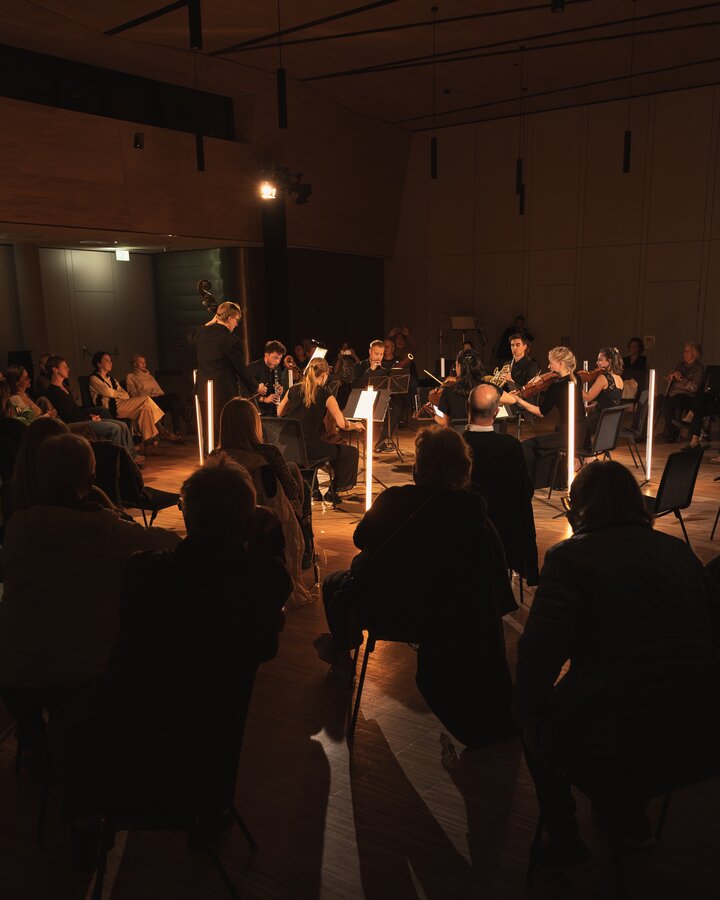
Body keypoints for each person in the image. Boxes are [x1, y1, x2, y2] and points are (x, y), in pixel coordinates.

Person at [514, 461, 720, 873]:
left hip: (617, 730)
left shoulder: (569, 558)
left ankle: (567, 844)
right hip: (701, 726)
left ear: (579, 507)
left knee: (535, 723)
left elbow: (539, 653)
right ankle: (626, 813)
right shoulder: (678, 551)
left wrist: (527, 710)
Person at [60, 454, 290, 822]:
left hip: (126, 750)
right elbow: (273, 579)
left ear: (187, 516)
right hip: (209, 761)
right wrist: (268, 539)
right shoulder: (262, 581)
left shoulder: (142, 572)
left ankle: (86, 829)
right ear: (247, 524)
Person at [315, 427, 517, 748]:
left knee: (332, 583)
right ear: (463, 467)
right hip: (451, 619)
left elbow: (360, 538)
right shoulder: (475, 513)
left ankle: (342, 651)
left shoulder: (395, 500)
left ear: (419, 466)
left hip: (394, 613)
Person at [0, 433, 178, 744]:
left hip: (15, 672)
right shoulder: (103, 527)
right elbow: (168, 543)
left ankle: (35, 734)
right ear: (91, 479)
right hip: (84, 672)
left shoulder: (17, 524)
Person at [216, 398, 312, 605]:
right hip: (267, 517)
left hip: (226, 519)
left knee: (294, 471)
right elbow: (291, 491)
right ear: (253, 424)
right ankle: (307, 545)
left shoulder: (216, 457)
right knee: (302, 484)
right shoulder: (268, 453)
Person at [463, 384, 538, 585]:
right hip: (506, 535)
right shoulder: (511, 446)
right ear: (496, 413)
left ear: (467, 407)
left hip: (463, 535)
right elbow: (526, 491)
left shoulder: (456, 445)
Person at [278, 358, 362, 502]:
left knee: (319, 444)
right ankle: (333, 491)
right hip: (310, 450)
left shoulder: (292, 390)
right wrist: (355, 425)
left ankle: (315, 490)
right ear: (324, 375)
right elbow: (342, 424)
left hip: (289, 448)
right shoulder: (325, 395)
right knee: (350, 452)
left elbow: (280, 413)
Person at [506, 346, 586, 488]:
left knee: (526, 445)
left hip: (567, 435)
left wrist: (519, 400)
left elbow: (541, 412)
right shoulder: (576, 379)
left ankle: (528, 483)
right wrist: (542, 378)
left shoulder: (557, 386)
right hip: (581, 433)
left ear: (561, 364)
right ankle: (554, 479)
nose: (549, 366)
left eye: (551, 363)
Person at [44, 356, 139, 461]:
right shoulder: (53, 391)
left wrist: (90, 415)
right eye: (64, 367)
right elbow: (68, 415)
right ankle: (122, 461)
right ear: (55, 370)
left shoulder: (64, 387)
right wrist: (89, 418)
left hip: (81, 418)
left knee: (122, 425)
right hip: (75, 424)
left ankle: (131, 457)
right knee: (115, 428)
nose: (68, 369)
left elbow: (76, 409)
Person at [194, 301, 265, 428]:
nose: (237, 324)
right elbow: (240, 368)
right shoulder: (232, 340)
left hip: (203, 391)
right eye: (237, 320)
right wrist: (256, 387)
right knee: (224, 429)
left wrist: (210, 323)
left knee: (208, 430)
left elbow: (190, 337)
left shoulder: (202, 333)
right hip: (223, 393)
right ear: (230, 318)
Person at [90, 351, 165, 453]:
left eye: (110, 360)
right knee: (146, 399)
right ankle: (161, 430)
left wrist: (116, 394)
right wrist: (117, 394)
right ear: (99, 364)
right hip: (111, 407)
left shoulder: (112, 379)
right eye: (107, 360)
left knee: (146, 409)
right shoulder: (94, 378)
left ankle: (148, 445)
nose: (110, 362)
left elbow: (125, 395)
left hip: (121, 404)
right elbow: (108, 392)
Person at [125, 354, 189, 440]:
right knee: (175, 396)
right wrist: (149, 393)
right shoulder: (131, 376)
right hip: (147, 401)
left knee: (174, 403)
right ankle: (189, 424)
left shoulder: (150, 377)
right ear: (134, 364)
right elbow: (133, 394)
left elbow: (160, 391)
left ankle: (177, 433)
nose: (144, 364)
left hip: (158, 399)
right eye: (141, 362)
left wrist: (157, 393)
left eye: (144, 362)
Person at [353, 339, 402, 451]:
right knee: (371, 411)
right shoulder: (359, 366)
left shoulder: (384, 367)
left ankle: (381, 440)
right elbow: (356, 385)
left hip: (380, 398)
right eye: (376, 353)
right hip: (363, 399)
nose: (379, 357)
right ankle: (367, 443)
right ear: (370, 352)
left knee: (396, 409)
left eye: (381, 354)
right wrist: (371, 370)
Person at [659, 342, 705, 443]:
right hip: (671, 393)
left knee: (666, 405)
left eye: (687, 351)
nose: (684, 353)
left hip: (686, 395)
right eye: (684, 351)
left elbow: (694, 387)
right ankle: (645, 432)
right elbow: (665, 379)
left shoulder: (698, 368)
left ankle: (672, 433)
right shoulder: (680, 365)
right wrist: (670, 377)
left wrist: (681, 379)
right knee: (654, 401)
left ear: (694, 353)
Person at [582, 346, 624, 445]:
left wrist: (575, 384)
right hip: (610, 423)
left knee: (571, 428)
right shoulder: (619, 378)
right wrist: (595, 405)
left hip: (599, 422)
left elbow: (587, 397)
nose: (597, 362)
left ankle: (583, 452)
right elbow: (610, 400)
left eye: (600, 360)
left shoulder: (603, 378)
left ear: (609, 361)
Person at [434, 350, 487, 426]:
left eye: (456, 365)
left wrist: (434, 415)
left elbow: (446, 424)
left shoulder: (448, 391)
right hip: (483, 433)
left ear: (459, 366)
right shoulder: (487, 389)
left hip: (458, 433)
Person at [248, 340, 289, 417]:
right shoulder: (253, 368)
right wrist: (264, 399)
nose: (277, 362)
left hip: (273, 412)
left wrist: (280, 391)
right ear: (266, 355)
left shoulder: (278, 369)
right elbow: (246, 393)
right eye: (275, 358)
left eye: (280, 358)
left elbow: (278, 386)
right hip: (257, 412)